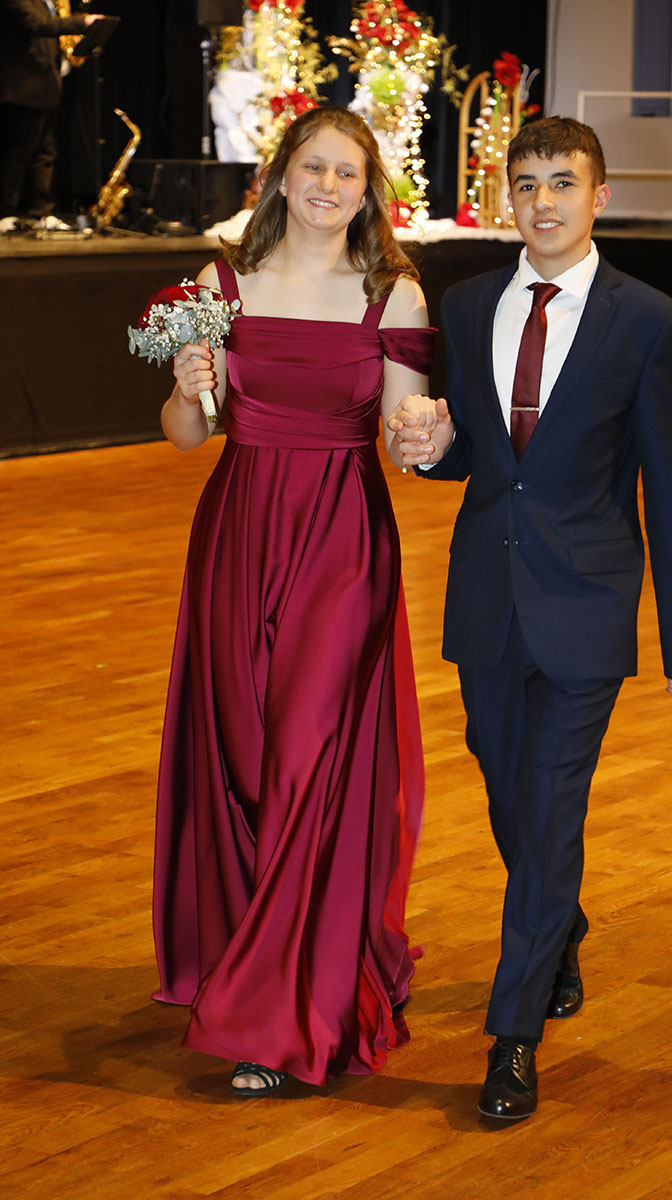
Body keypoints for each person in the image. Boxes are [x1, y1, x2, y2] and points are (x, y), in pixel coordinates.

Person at [388, 116, 672, 1122]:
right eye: (525, 184)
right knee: (505, 784)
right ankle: (558, 920)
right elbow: (481, 458)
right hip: (487, 595)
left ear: (597, 197)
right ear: (507, 198)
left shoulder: (644, 319)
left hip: (586, 603)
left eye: (562, 183)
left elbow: (667, 484)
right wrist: (428, 450)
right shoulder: (469, 303)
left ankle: (512, 1036)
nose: (542, 202)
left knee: (551, 801)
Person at [152, 105, 434, 1097]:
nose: (327, 185)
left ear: (367, 191)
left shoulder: (392, 292)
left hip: (342, 544)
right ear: (278, 176)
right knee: (243, 757)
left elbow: (403, 438)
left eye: (347, 173)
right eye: (312, 167)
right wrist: (186, 385)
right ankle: (249, 961)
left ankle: (281, 1018)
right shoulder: (218, 284)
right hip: (237, 533)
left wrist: (424, 434)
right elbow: (188, 433)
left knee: (310, 755)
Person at [0, 0, 105, 233]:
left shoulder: (49, 2)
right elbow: (38, 23)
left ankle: (42, 211)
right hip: (22, 86)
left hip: (46, 85)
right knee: (18, 152)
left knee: (46, 152)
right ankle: (5, 212)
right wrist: (81, 22)